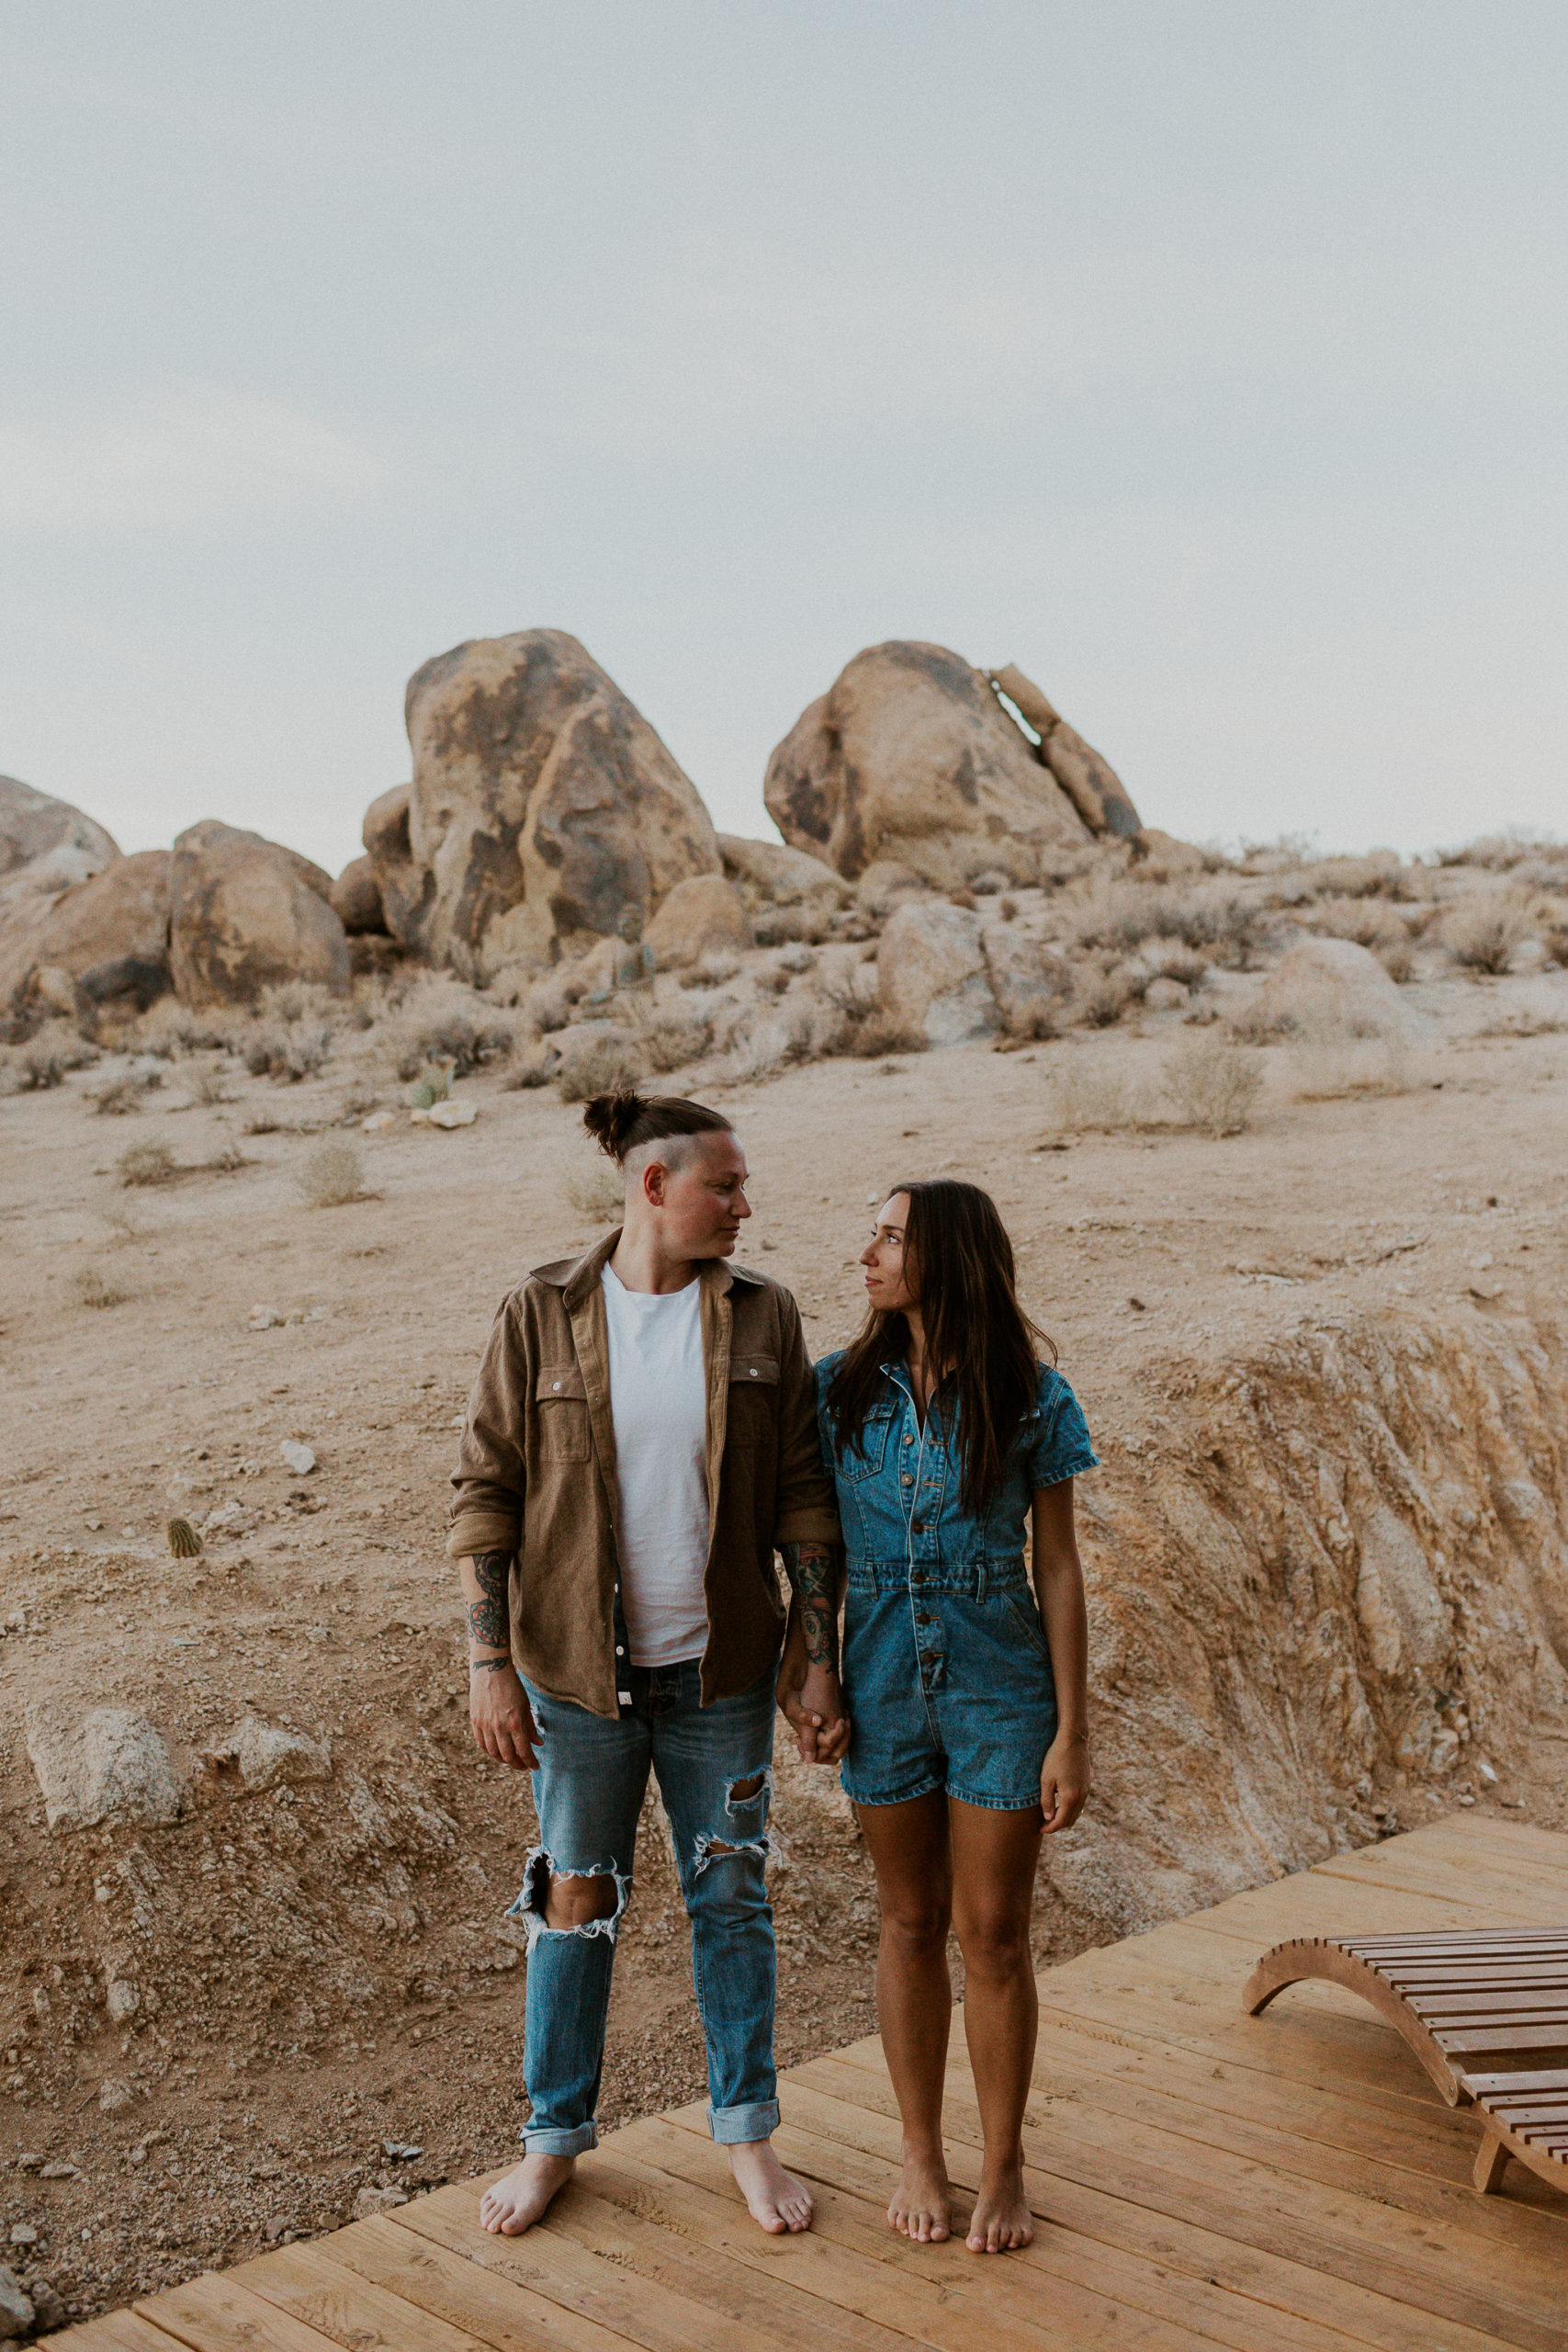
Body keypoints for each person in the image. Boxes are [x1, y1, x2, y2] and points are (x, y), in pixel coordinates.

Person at [450, 1086, 840, 2238]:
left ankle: (748, 2133)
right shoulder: (540, 1312)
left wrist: (815, 1655)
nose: (744, 1206)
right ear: (656, 1186)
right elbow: (486, 1492)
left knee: (732, 1897)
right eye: (727, 1186)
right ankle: (553, 2140)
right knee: (573, 1902)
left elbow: (803, 1495)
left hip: (723, 1675)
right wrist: (487, 1662)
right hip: (578, 1681)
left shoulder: (765, 1316)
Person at [780, 1179, 1096, 2256]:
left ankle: (1004, 2163)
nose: (867, 1253)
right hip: (879, 1675)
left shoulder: (1031, 1397)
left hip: (1000, 1681)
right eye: (871, 1232)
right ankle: (920, 2151)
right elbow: (813, 1544)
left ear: (948, 1259)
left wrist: (1073, 1729)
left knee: (994, 1931)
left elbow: (1058, 1566)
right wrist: (811, 1670)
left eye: (890, 1237)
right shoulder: (837, 1389)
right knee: (910, 1921)